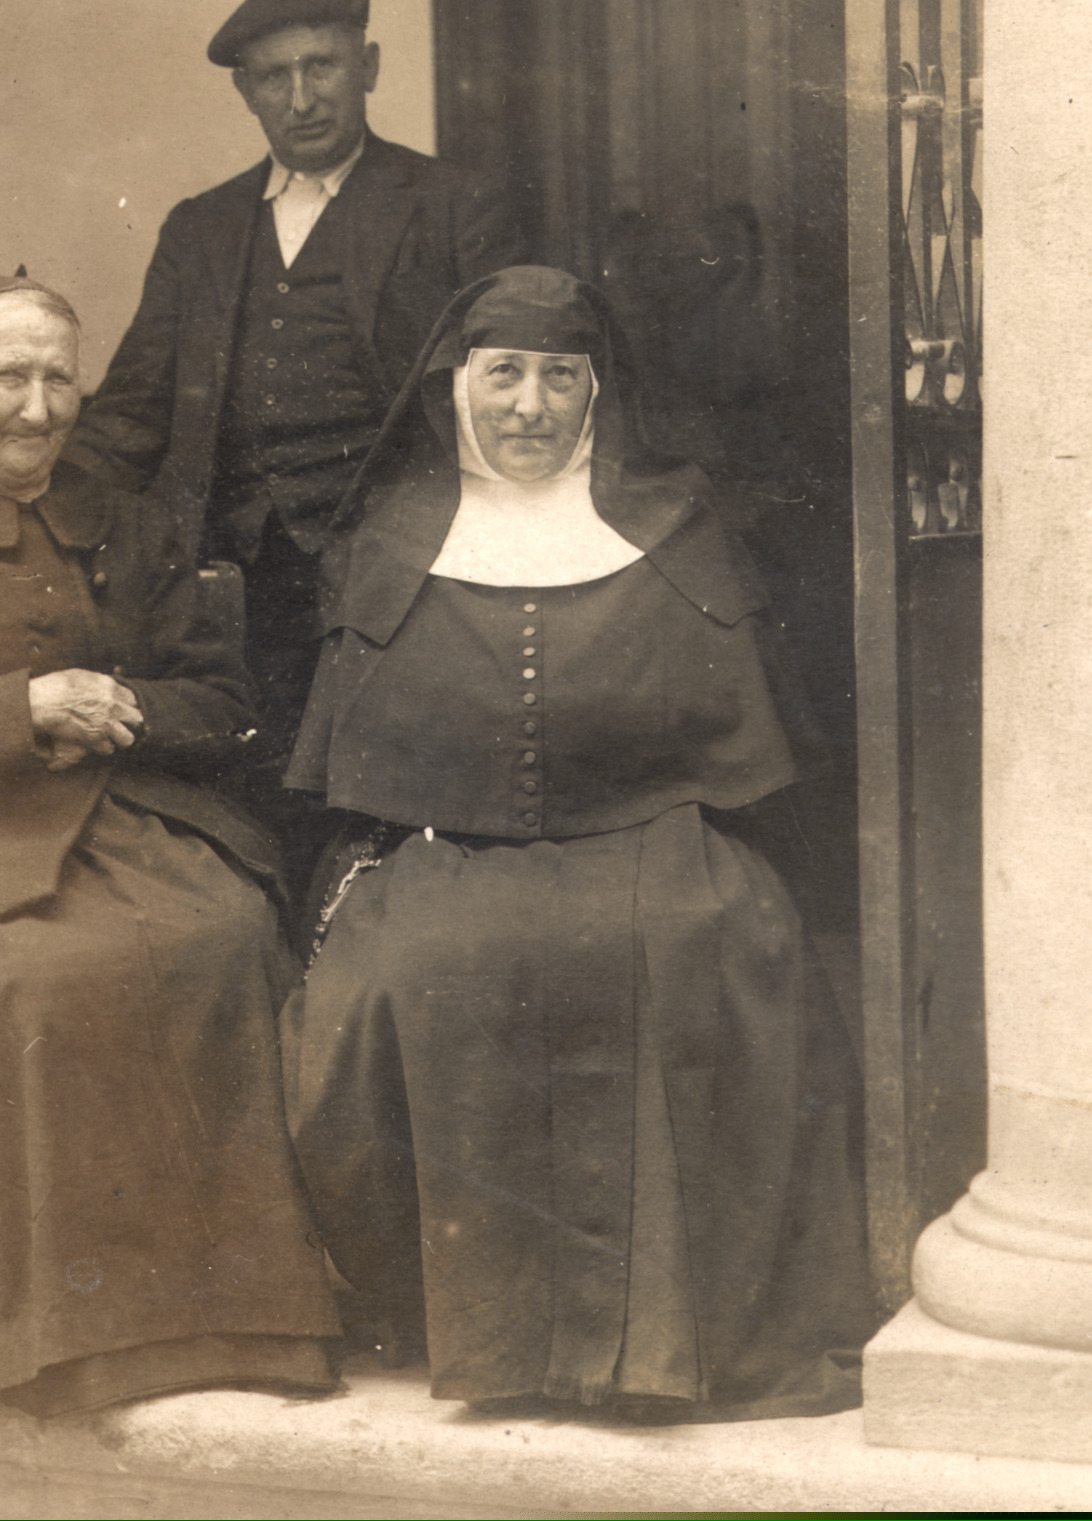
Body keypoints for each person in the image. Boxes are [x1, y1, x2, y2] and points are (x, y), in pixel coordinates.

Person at [281, 266, 873, 1417]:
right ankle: (476, 1336)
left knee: (714, 940)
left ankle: (674, 1342)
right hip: (445, 847)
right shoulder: (390, 540)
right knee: (403, 971)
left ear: (598, 394)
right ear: (456, 386)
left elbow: (741, 752)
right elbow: (355, 773)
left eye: (561, 377)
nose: (529, 405)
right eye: (504, 373)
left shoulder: (679, 528)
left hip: (656, 837)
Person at [0, 275, 341, 1416]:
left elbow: (224, 699)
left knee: (227, 935)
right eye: (9, 376)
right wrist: (22, 706)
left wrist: (123, 705)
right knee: (32, 981)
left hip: (133, 822)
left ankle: (242, 1313)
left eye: (61, 378)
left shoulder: (132, 524)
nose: (39, 407)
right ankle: (58, 1336)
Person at [65, 0, 527, 898]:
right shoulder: (201, 228)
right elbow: (130, 409)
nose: (303, 97)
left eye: (323, 67)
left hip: (401, 568)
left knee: (378, 809)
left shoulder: (451, 205)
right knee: (254, 802)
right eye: (275, 76)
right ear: (247, 91)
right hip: (237, 573)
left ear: (370, 67)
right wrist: (30, 500)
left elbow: (511, 395)